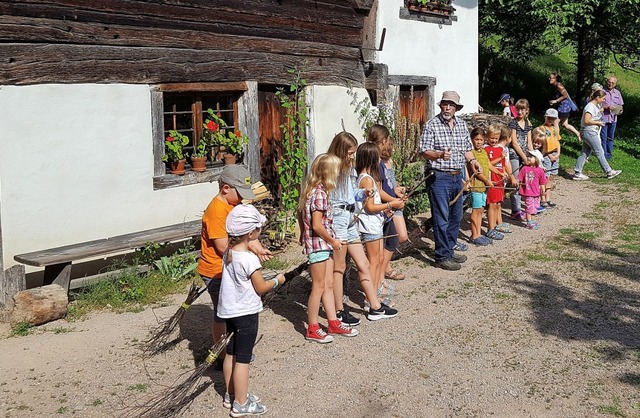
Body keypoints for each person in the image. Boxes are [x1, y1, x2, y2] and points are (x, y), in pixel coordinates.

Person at [197, 165, 272, 365]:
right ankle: (223, 354)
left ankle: (234, 349)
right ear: (226, 188)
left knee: (234, 313)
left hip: (230, 269)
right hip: (216, 272)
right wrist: (247, 258)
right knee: (222, 314)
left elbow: (243, 236)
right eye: (240, 194)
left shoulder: (232, 206)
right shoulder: (216, 212)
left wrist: (258, 248)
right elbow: (223, 247)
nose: (241, 199)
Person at [219, 204, 284, 417]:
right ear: (250, 233)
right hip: (246, 314)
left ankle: (231, 395)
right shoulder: (249, 259)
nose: (260, 231)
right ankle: (241, 403)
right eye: (258, 228)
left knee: (231, 353)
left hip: (230, 312)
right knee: (244, 358)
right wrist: (277, 280)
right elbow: (261, 287)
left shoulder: (229, 252)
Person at [326, 132, 398, 326]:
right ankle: (338, 310)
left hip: (350, 218)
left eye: (353, 153)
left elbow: (351, 194)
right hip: (338, 217)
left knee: (364, 264)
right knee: (339, 267)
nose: (352, 157)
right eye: (349, 153)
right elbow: (327, 195)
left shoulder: (349, 169)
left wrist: (363, 192)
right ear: (340, 150)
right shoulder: (330, 166)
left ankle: (375, 307)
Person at [298, 154, 359, 343]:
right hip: (319, 246)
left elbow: (300, 213)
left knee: (328, 283)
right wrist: (333, 241)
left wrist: (302, 232)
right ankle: (313, 327)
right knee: (318, 286)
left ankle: (333, 322)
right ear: (328, 173)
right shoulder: (319, 194)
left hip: (322, 245)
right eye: (336, 171)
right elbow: (317, 225)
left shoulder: (315, 191)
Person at [419, 91, 480, 271]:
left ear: (456, 108)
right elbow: (423, 151)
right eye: (445, 104)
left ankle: (449, 249)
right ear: (440, 106)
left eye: (451, 105)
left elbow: (467, 149)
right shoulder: (432, 125)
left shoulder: (461, 125)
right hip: (439, 177)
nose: (448, 107)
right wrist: (438, 154)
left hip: (457, 176)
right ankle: (442, 255)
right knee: (441, 218)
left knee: (456, 216)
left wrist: (474, 162)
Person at [355, 141, 405, 303]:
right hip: (370, 227)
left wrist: (385, 208)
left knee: (377, 261)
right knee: (374, 262)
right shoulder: (367, 180)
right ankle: (372, 297)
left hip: (374, 224)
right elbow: (369, 206)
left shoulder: (366, 178)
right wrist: (391, 204)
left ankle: (375, 293)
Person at [367, 124, 409, 281]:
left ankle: (382, 271)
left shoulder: (381, 161)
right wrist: (394, 201)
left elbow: (387, 184)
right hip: (384, 207)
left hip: (389, 205)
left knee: (393, 239)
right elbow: (378, 190)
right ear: (384, 141)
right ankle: (380, 274)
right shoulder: (375, 163)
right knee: (391, 240)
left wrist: (396, 193)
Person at [573, 89, 622, 181]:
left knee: (585, 153)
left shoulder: (595, 106)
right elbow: (587, 121)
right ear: (597, 97)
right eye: (603, 98)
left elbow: (599, 111)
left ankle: (577, 172)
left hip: (588, 131)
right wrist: (598, 123)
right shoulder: (590, 107)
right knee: (599, 151)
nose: (604, 100)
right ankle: (609, 171)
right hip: (589, 131)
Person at [507, 99, 533, 222]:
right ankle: (515, 209)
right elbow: (514, 142)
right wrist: (524, 157)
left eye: (522, 109)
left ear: (527, 110)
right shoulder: (513, 123)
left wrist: (533, 156)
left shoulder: (528, 124)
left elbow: (529, 142)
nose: (520, 111)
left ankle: (526, 206)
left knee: (525, 181)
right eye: (518, 109)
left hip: (525, 155)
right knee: (515, 182)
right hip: (514, 155)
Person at [484, 125, 511, 239]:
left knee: (498, 203)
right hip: (492, 179)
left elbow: (503, 164)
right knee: (492, 204)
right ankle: (490, 229)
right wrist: (500, 158)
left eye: (496, 138)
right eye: (492, 138)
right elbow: (488, 165)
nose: (494, 140)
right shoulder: (486, 149)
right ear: (487, 137)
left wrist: (505, 173)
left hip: (500, 180)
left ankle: (496, 225)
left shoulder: (501, 149)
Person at [467, 127, 493, 246]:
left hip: (484, 187)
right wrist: (487, 180)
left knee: (481, 210)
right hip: (476, 187)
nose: (479, 142)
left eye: (481, 140)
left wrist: (500, 174)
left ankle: (478, 233)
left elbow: (488, 165)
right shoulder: (471, 154)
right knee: (476, 210)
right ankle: (474, 235)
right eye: (476, 139)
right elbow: (476, 172)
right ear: (472, 139)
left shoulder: (484, 152)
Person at [537, 111, 562, 208]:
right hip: (546, 155)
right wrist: (549, 154)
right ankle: (542, 199)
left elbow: (557, 141)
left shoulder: (554, 129)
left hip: (555, 154)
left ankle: (548, 198)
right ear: (545, 117)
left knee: (551, 176)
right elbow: (542, 144)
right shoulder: (541, 129)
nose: (551, 120)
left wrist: (558, 153)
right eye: (549, 118)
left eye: (553, 118)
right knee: (545, 177)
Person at [518, 150, 547, 230]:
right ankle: (529, 222)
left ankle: (532, 220)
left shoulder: (540, 170)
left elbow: (542, 183)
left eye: (531, 157)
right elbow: (519, 179)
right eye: (528, 156)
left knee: (535, 207)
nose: (528, 158)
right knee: (529, 207)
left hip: (536, 193)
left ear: (537, 159)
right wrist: (520, 188)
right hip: (528, 192)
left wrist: (543, 191)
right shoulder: (524, 169)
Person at [548, 72, 581, 140]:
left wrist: (556, 101)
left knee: (555, 122)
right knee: (565, 124)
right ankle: (578, 134)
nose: (549, 79)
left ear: (555, 79)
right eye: (549, 78)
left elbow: (565, 95)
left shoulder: (559, 86)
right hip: (563, 107)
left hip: (564, 108)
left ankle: (556, 139)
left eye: (550, 78)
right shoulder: (554, 86)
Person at [601, 76, 625, 160]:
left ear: (615, 84)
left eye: (612, 83)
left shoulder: (617, 93)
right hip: (603, 117)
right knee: (603, 137)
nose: (610, 84)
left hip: (613, 118)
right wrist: (607, 107)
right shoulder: (602, 91)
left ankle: (609, 154)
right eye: (609, 82)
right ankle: (603, 155)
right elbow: (598, 104)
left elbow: (621, 105)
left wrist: (620, 110)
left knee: (610, 137)